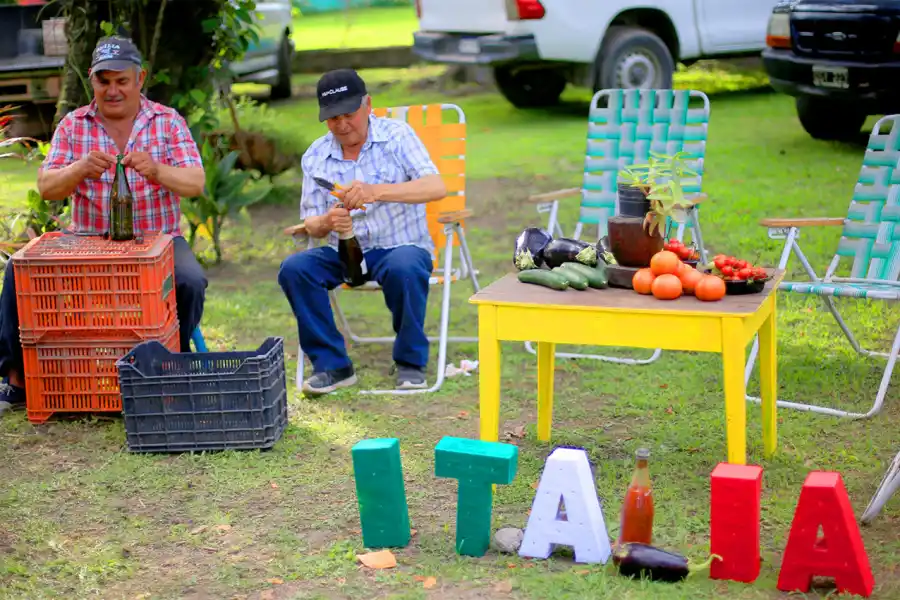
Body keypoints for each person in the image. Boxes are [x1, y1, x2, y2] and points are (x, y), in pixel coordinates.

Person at [0, 36, 207, 415]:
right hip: (87, 242)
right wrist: (78, 169)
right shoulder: (74, 124)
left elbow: (195, 182)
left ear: (140, 78)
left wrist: (156, 170)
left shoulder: (167, 121)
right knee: (18, 270)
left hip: (159, 242)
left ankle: (170, 365)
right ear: (92, 80)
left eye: (122, 81)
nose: (113, 90)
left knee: (190, 280)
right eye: (104, 81)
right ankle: (17, 380)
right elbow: (46, 187)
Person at [278, 69, 446, 397]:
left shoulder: (397, 136)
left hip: (398, 245)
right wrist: (328, 221)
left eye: (349, 114)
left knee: (405, 266)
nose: (342, 125)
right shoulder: (316, 155)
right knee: (295, 269)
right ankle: (332, 366)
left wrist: (375, 191)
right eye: (333, 118)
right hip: (342, 251)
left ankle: (410, 363)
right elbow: (311, 222)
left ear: (368, 105)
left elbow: (435, 186)